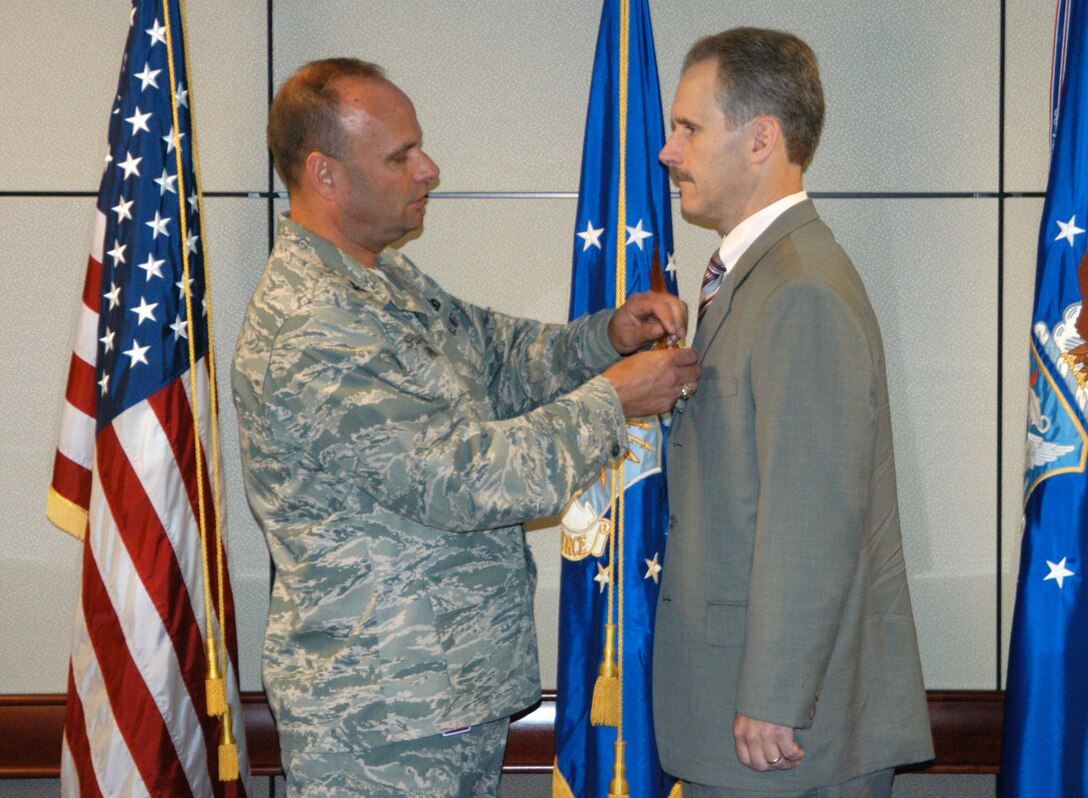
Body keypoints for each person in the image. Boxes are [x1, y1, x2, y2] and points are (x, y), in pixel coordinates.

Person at [232, 58, 699, 797]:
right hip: (377, 722)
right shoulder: (312, 323)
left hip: (442, 699)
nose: (430, 169)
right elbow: (462, 479)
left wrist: (604, 337)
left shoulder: (382, 281)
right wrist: (612, 401)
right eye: (399, 156)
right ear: (324, 174)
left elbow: (494, 355)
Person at [652, 29, 933, 797]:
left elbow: (813, 514)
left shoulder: (799, 287)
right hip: (752, 723)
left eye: (689, 128)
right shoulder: (761, 276)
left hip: (781, 737)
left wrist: (774, 698)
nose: (668, 151)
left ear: (761, 139)